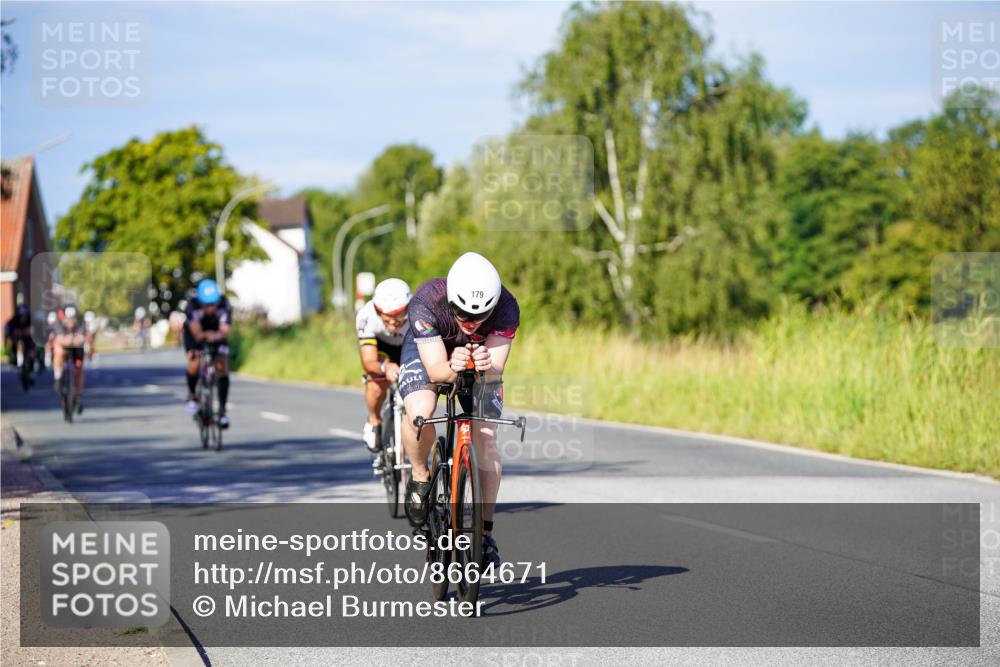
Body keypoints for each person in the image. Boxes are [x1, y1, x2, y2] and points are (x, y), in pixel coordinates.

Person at [398, 252, 519, 567]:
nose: (470, 322)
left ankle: (485, 533)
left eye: (480, 316)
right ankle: (420, 474)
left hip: (477, 356)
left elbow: (496, 370)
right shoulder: (427, 301)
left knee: (487, 435)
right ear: (451, 301)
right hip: (431, 352)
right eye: (462, 313)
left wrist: (486, 366)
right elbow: (436, 370)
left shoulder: (507, 307)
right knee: (421, 411)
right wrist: (452, 366)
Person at [355, 278, 412, 453]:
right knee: (376, 384)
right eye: (388, 316)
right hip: (382, 349)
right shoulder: (366, 316)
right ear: (377, 310)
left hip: (408, 345)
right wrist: (384, 368)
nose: (393, 322)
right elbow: (368, 361)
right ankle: (374, 420)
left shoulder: (418, 312)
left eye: (399, 315)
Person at [183, 279, 232, 428]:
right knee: (194, 360)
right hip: (194, 333)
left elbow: (224, 332)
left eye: (214, 303)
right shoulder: (192, 305)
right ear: (200, 301)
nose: (211, 308)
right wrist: (208, 336)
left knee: (222, 365)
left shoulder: (225, 304)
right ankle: (192, 395)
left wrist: (216, 336)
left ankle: (222, 411)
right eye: (207, 304)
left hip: (216, 332)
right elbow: (198, 335)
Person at [52, 306, 91, 413]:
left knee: (79, 369)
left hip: (76, 348)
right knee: (59, 352)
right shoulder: (59, 323)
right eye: (68, 318)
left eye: (72, 318)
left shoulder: (81, 323)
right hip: (64, 346)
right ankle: (57, 377)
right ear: (64, 317)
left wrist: (78, 340)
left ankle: (78, 397)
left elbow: (83, 337)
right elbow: (59, 338)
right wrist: (67, 340)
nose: (70, 321)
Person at [4, 304, 36, 374]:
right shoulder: (13, 321)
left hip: (28, 340)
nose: (23, 317)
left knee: (31, 352)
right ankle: (15, 360)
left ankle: (31, 366)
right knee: (15, 347)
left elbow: (36, 329)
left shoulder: (31, 320)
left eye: (25, 315)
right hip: (17, 340)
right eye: (21, 315)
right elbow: (7, 329)